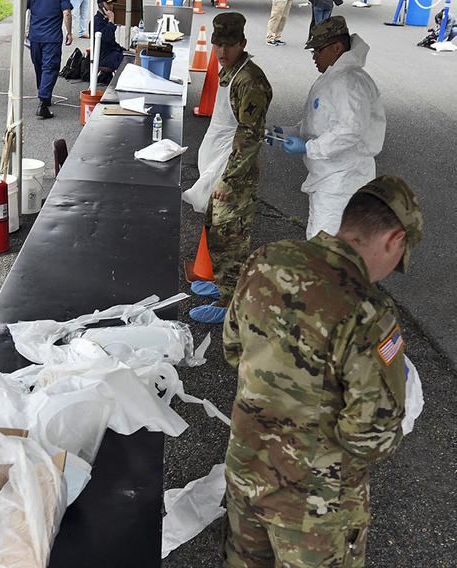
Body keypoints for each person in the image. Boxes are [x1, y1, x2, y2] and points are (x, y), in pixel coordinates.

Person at [222, 175, 422, 568]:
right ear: (395, 239)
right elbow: (370, 438)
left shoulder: (267, 259)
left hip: (246, 471)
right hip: (315, 507)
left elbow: (233, 348)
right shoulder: (369, 313)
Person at [181, 12, 272, 325]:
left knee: (231, 237)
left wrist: (229, 181)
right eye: (218, 43)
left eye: (230, 44)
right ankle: (221, 283)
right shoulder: (229, 72)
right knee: (216, 230)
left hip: (234, 174)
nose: (222, 50)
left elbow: (250, 137)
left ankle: (229, 300)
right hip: (220, 168)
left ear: (243, 43)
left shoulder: (250, 81)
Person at [273, 16, 385, 239]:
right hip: (330, 178)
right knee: (323, 243)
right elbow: (321, 123)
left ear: (336, 47)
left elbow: (351, 130)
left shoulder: (349, 81)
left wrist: (309, 148)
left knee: (327, 248)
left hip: (343, 181)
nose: (314, 57)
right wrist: (289, 133)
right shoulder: (334, 77)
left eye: (317, 50)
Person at [27, 0, 73, 119]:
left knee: (38, 65)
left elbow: (23, 9)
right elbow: (66, 12)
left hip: (35, 36)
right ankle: (43, 100)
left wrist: (24, 30)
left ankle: (43, 93)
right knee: (50, 68)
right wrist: (69, 32)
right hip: (51, 37)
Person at [93, 0, 125, 79]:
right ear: (101, 5)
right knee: (128, 63)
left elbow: (112, 42)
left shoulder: (105, 19)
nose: (111, 6)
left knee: (130, 56)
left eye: (111, 3)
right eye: (108, 3)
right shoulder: (96, 21)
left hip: (111, 53)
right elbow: (107, 38)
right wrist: (111, 21)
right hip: (103, 57)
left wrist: (123, 49)